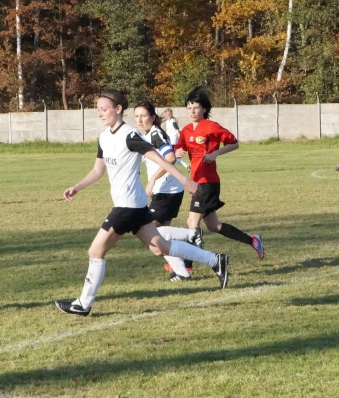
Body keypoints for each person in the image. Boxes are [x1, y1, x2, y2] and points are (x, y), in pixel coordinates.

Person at [54, 89, 230, 317]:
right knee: (160, 247)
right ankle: (215, 260)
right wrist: (77, 187)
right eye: (98, 109)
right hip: (134, 206)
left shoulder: (130, 136)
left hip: (127, 207)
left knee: (95, 251)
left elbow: (164, 160)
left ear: (118, 109)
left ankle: (83, 304)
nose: (100, 113)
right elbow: (98, 170)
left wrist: (186, 181)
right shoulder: (105, 137)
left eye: (104, 109)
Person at [174, 87, 264, 263]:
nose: (192, 111)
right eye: (189, 108)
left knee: (192, 222)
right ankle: (253, 241)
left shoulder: (211, 126)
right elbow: (179, 148)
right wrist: (177, 152)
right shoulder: (186, 130)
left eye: (196, 107)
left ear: (204, 109)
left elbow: (234, 143)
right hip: (196, 181)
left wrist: (215, 153)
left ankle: (187, 267)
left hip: (207, 182)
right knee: (214, 226)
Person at [134, 100, 202, 282]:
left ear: (152, 117)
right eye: (137, 116)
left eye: (143, 116)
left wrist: (153, 180)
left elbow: (170, 158)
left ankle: (191, 235)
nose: (139, 120)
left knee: (150, 233)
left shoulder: (155, 134)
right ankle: (182, 271)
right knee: (161, 236)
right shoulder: (147, 134)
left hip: (167, 191)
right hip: (167, 191)